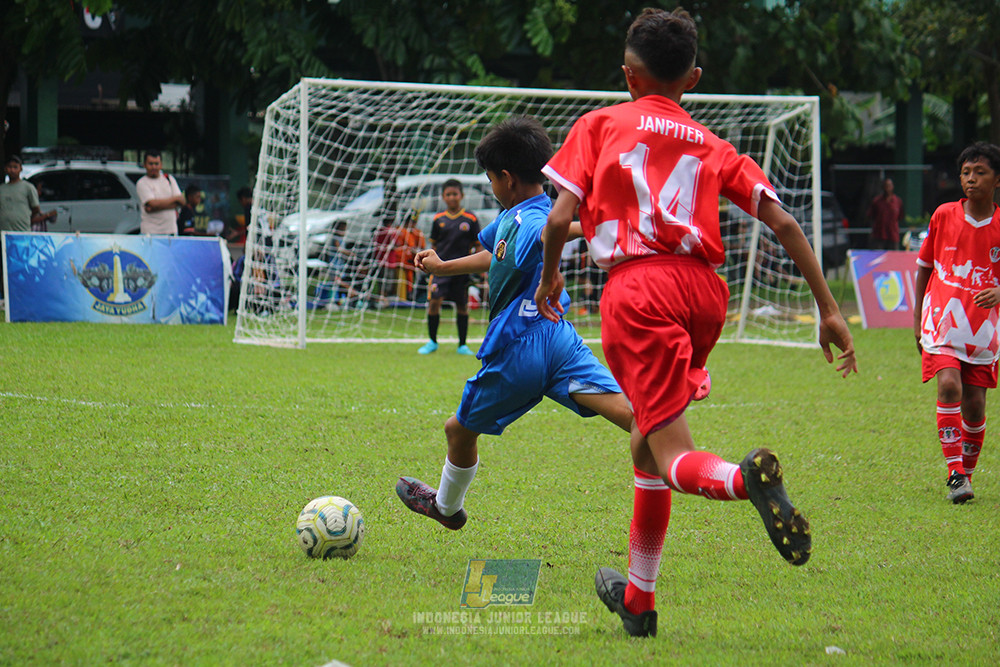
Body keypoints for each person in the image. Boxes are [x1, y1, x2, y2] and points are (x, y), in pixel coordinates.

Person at [535, 8, 857, 638]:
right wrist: (828, 308)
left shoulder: (600, 124)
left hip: (638, 290)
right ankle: (639, 601)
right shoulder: (711, 143)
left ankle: (745, 480)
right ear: (695, 77)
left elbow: (555, 221)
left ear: (628, 75)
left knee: (671, 451)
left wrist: (550, 278)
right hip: (705, 292)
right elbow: (785, 223)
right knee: (644, 443)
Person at [395, 116, 634, 535]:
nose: (489, 186)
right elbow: (496, 254)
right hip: (558, 339)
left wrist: (595, 227)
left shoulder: (534, 218)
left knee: (458, 430)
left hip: (518, 348)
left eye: (489, 179)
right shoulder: (511, 216)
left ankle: (446, 507)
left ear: (506, 178)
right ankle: (698, 464)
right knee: (632, 417)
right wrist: (444, 266)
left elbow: (548, 232)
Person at [913, 142, 1000, 505]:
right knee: (949, 385)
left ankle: (965, 473)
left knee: (976, 405)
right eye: (966, 172)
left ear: (997, 179)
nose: (971, 179)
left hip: (983, 332)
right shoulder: (943, 215)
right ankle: (955, 473)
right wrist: (917, 317)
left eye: (980, 172)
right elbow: (924, 267)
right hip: (942, 324)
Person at [418, 179, 481, 355]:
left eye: (455, 194)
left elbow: (478, 245)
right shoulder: (439, 219)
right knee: (434, 303)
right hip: (440, 269)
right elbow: (434, 246)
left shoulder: (470, 218)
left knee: (462, 305)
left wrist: (478, 267)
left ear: (462, 195)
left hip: (462, 269)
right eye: (448, 194)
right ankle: (432, 341)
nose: (452, 197)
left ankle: (462, 345)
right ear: (443, 197)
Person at [0, 155, 56, 234]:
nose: (12, 170)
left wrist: (24, 217)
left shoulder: (28, 187)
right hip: (4, 233)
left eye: (15, 167)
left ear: (21, 169)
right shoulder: (2, 189)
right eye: (9, 167)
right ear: (5, 169)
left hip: (22, 232)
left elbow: (36, 208)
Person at [136, 151, 184, 235]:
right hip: (150, 233)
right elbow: (152, 204)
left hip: (171, 232)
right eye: (150, 164)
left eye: (156, 164)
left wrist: (156, 206)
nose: (154, 167)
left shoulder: (169, 179)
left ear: (161, 165)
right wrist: (174, 200)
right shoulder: (142, 183)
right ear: (145, 165)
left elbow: (182, 201)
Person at [393, 211, 426, 301]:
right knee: (401, 282)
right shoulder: (400, 231)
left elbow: (421, 246)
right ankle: (402, 299)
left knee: (412, 282)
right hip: (401, 262)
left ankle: (411, 298)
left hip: (412, 262)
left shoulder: (417, 232)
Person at [867, 177, 904, 250]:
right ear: (883, 187)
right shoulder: (876, 201)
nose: (888, 188)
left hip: (893, 235)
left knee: (894, 257)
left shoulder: (897, 201)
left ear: (892, 187)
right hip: (879, 235)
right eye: (886, 186)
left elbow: (900, 216)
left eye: (889, 186)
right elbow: (871, 216)